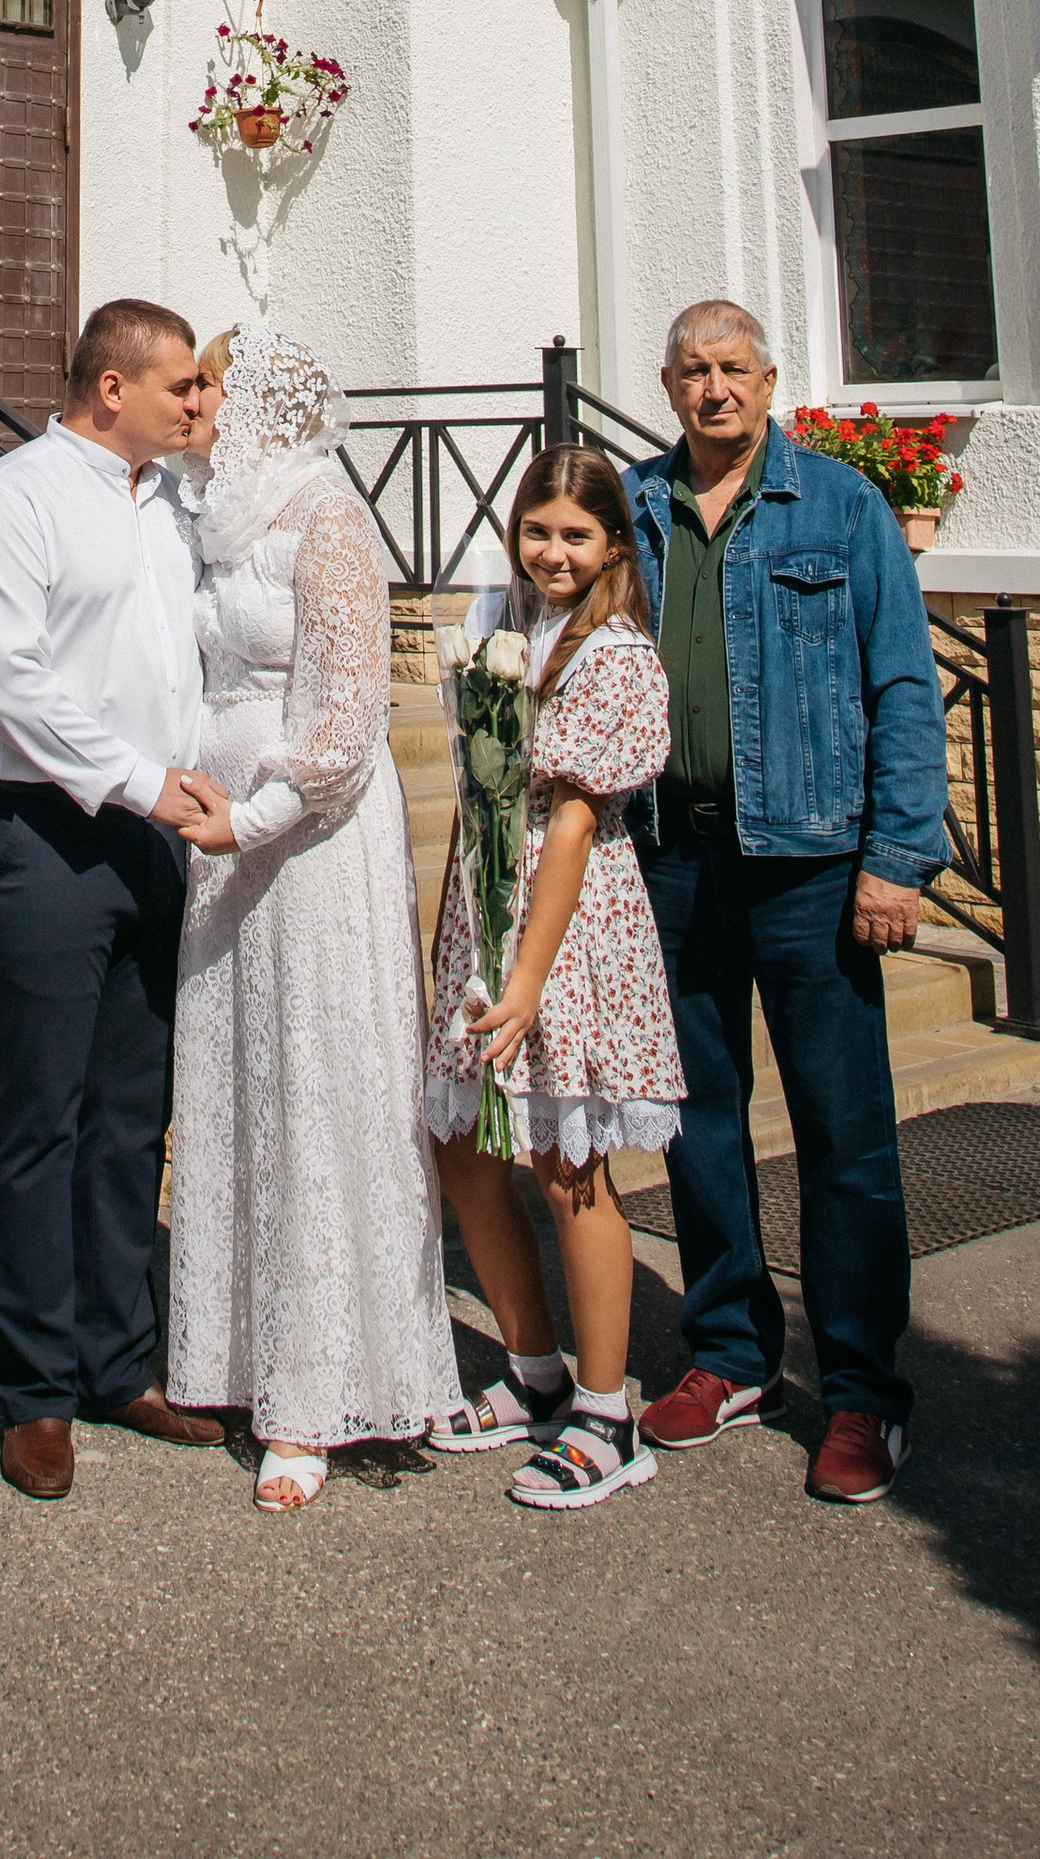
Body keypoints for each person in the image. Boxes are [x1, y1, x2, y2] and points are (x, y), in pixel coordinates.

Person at [627, 298, 948, 1504]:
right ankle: (726, 1354)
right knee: (697, 1123)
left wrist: (896, 860)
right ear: (668, 388)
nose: (714, 390)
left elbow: (902, 685)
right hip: (673, 863)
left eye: (734, 370)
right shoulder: (635, 507)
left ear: (769, 384)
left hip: (813, 868)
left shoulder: (843, 506)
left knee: (844, 1138)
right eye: (693, 372)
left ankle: (861, 1392)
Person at [0, 297, 230, 1499]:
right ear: (113, 388)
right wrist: (143, 784)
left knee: (128, 1111)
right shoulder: (15, 498)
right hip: (50, 835)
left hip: (157, 838)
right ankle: (36, 1390)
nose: (198, 406)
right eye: (180, 390)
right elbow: (10, 680)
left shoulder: (169, 504)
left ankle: (120, 1360)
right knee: (39, 1114)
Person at [165, 324, 457, 1510]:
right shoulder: (204, 512)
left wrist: (257, 814)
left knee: (320, 1080)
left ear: (263, 402)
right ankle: (236, 1351)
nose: (196, 399)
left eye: (212, 383)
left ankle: (324, 1389)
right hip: (212, 834)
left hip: (308, 835)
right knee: (241, 1079)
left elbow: (346, 711)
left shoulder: (328, 513)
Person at [423, 445, 684, 1511]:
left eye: (576, 535)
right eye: (538, 530)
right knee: (461, 1145)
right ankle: (530, 1368)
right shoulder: (504, 629)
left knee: (564, 1161)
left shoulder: (613, 657)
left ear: (614, 545)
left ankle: (607, 1413)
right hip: (481, 910)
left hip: (563, 930)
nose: (553, 551)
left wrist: (526, 976)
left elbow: (572, 820)